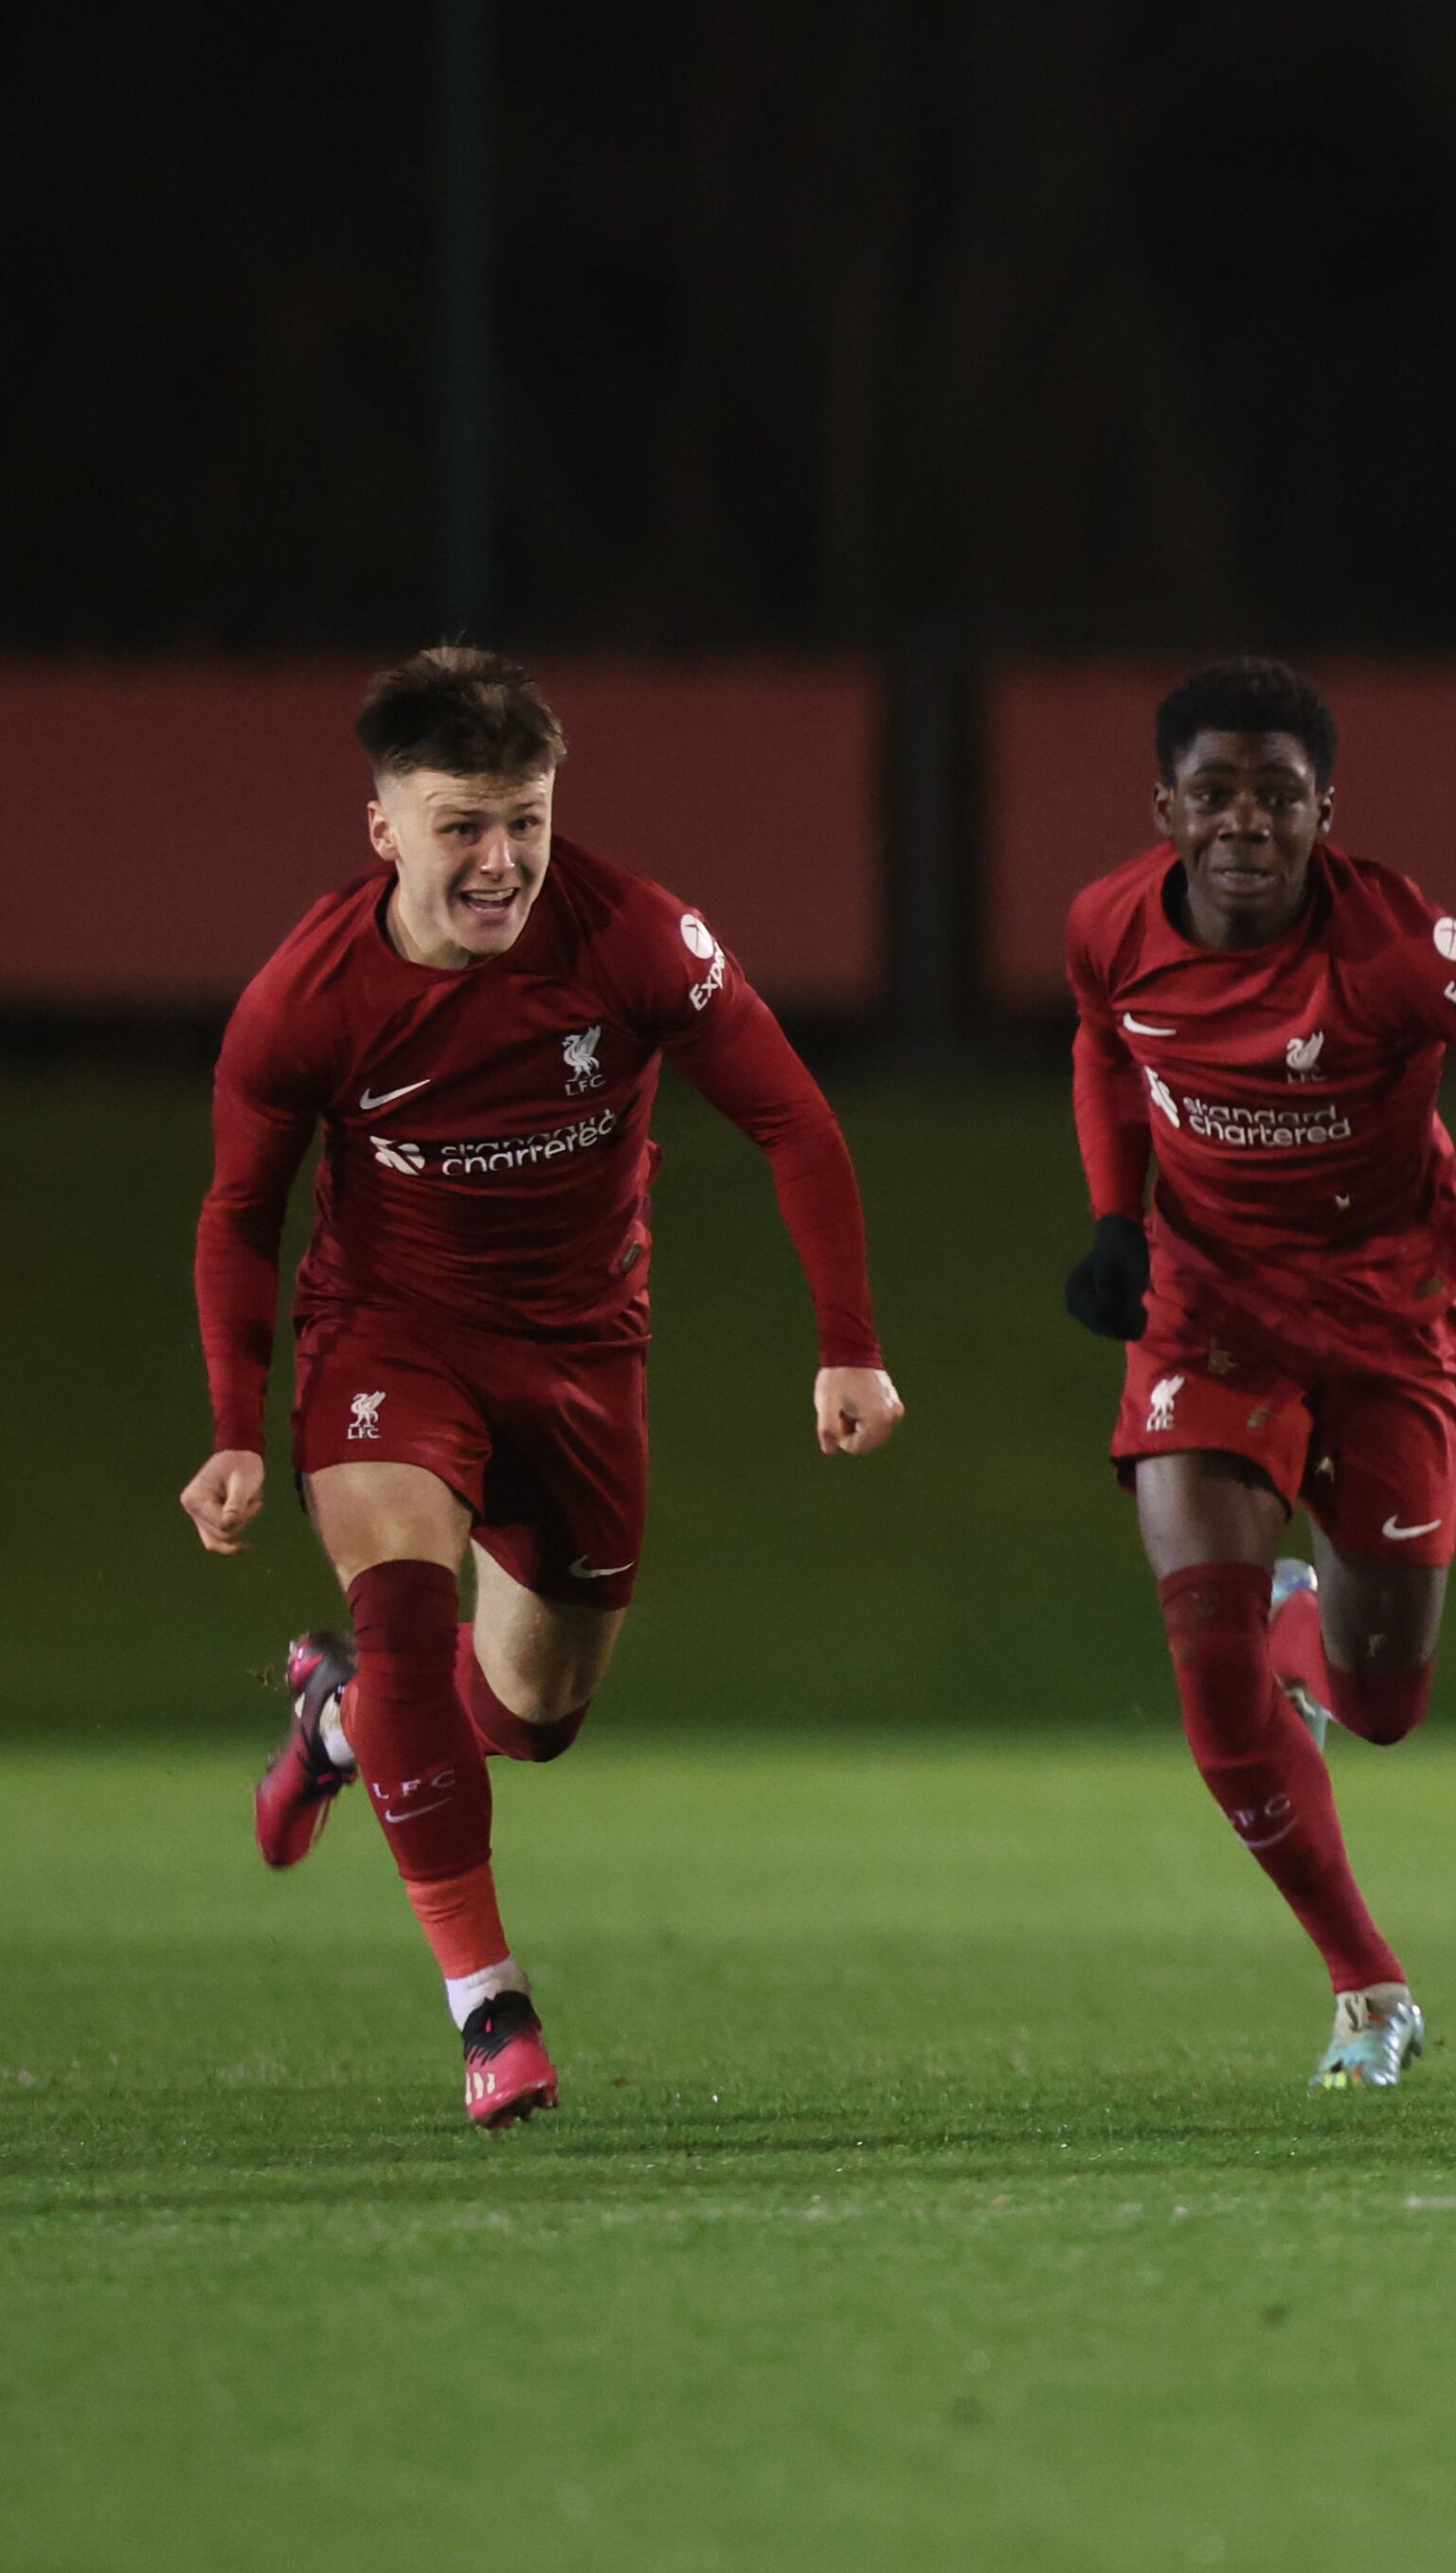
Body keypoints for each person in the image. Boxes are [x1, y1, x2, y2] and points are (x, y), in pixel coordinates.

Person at [207, 647, 902, 2128]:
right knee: (407, 1623)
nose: (500, 859)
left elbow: (793, 1120)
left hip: (582, 1358)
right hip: (389, 1341)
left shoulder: (636, 937)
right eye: (460, 824)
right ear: (383, 828)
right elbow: (240, 1212)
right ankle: (491, 2009)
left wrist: (848, 1341)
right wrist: (233, 1425)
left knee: (534, 1712)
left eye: (522, 819)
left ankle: (337, 1725)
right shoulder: (305, 999)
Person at [1058, 657, 1456, 2089]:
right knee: (1209, 1663)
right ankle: (1368, 1990)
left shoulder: (1400, 944)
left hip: (1391, 1310)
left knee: (1382, 1703)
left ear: (1325, 812)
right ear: (1166, 811)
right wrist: (1116, 1221)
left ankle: (1308, 1622)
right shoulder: (1109, 926)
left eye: (1277, 796)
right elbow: (1103, 1047)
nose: (1244, 821)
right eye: (1214, 794)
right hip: (1208, 1313)